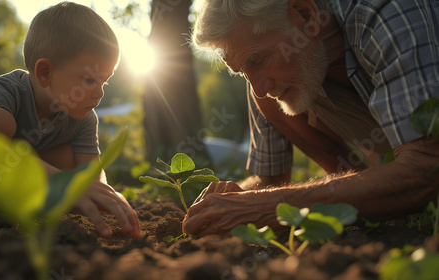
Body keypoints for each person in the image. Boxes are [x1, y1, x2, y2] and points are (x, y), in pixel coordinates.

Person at [183, 0, 439, 236]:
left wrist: (268, 207)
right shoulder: (267, 84)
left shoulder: (382, 13)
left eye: (257, 59)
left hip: (427, 147)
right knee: (267, 100)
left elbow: (428, 167)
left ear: (306, 15)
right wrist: (234, 198)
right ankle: (365, 202)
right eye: (242, 72)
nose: (257, 88)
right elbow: (270, 183)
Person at [0, 2, 140, 239]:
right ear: (45, 72)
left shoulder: (83, 118)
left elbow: (90, 176)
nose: (100, 93)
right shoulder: (1, 91)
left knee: (70, 160)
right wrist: (65, 184)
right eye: (89, 80)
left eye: (103, 82)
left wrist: (107, 197)